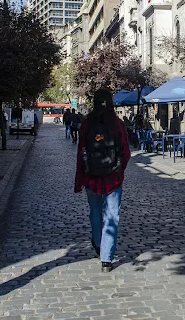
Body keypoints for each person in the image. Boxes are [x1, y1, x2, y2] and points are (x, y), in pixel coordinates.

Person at [75, 88, 131, 273]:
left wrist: (81, 177)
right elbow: (126, 152)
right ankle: (106, 259)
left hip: (91, 178)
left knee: (95, 212)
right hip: (113, 179)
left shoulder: (86, 125)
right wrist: (119, 169)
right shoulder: (118, 124)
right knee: (112, 216)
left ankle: (99, 243)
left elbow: (81, 152)